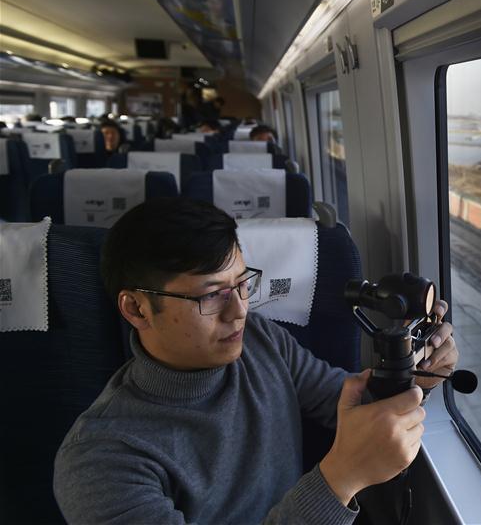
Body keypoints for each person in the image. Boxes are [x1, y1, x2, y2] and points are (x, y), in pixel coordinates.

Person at [53, 198, 458, 524]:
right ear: (137, 309)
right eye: (211, 295)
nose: (240, 311)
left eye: (242, 284)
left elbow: (347, 403)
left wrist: (415, 371)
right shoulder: (100, 460)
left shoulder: (260, 341)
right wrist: (339, 480)